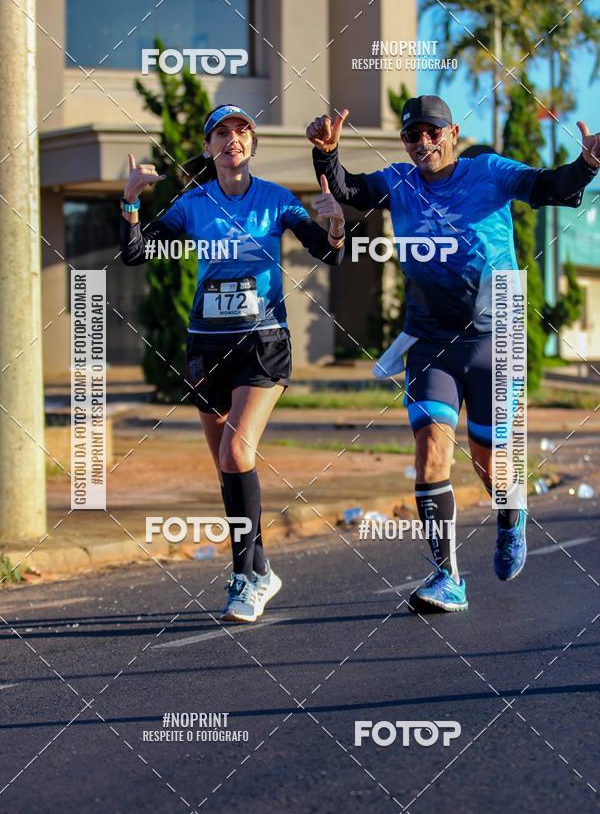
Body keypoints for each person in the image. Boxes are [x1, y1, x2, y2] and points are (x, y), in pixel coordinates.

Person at [307, 95, 600, 613]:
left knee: (491, 464)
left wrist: (587, 165)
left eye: (431, 132)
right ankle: (447, 577)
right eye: (412, 135)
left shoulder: (488, 171)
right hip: (430, 340)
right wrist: (328, 154)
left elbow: (546, 187)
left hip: (497, 333)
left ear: (453, 133)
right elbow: (350, 188)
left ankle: (511, 515)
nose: (423, 142)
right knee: (430, 452)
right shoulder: (400, 182)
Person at [120, 104, 346, 622]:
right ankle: (260, 567)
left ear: (252, 145)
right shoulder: (193, 204)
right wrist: (130, 203)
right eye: (222, 132)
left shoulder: (277, 201)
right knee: (227, 465)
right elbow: (137, 253)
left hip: (262, 340)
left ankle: (244, 579)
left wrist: (334, 229)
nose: (232, 140)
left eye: (242, 132)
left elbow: (326, 251)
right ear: (208, 147)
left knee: (237, 451)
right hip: (206, 344)